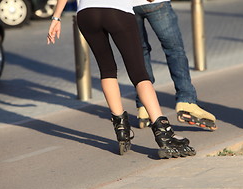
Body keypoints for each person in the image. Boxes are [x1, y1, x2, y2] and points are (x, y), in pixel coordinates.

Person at [46, 0, 195, 159]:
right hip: (117, 11)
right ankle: (164, 134)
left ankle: (122, 130)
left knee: (107, 69)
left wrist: (56, 18)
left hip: (86, 13)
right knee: (139, 74)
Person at [132, 0, 217, 131]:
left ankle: (144, 107)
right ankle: (186, 100)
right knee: (174, 49)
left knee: (139, 52)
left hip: (128, 6)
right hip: (156, 3)